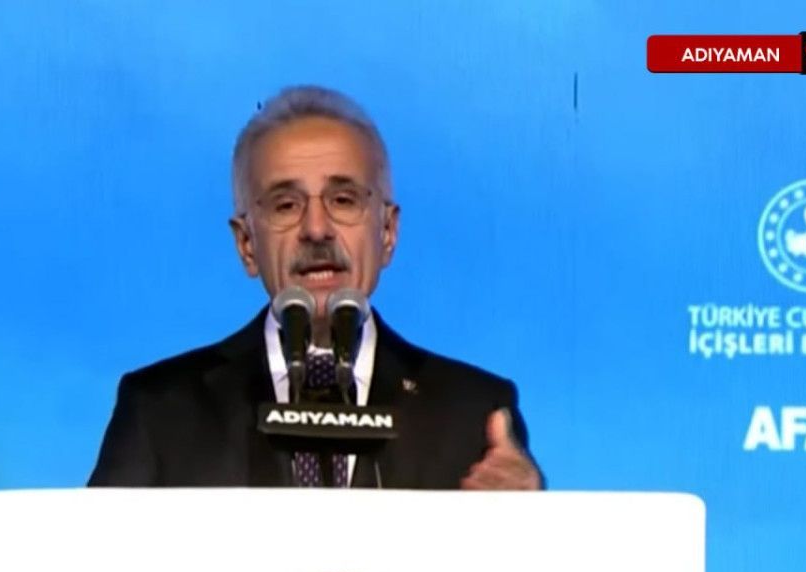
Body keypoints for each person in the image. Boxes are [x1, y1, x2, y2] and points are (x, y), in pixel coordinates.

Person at [88, 85, 542, 490]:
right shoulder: (160, 412)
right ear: (247, 245)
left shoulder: (473, 414)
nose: (317, 229)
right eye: (285, 205)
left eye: (343, 200)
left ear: (387, 233)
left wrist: (528, 524)